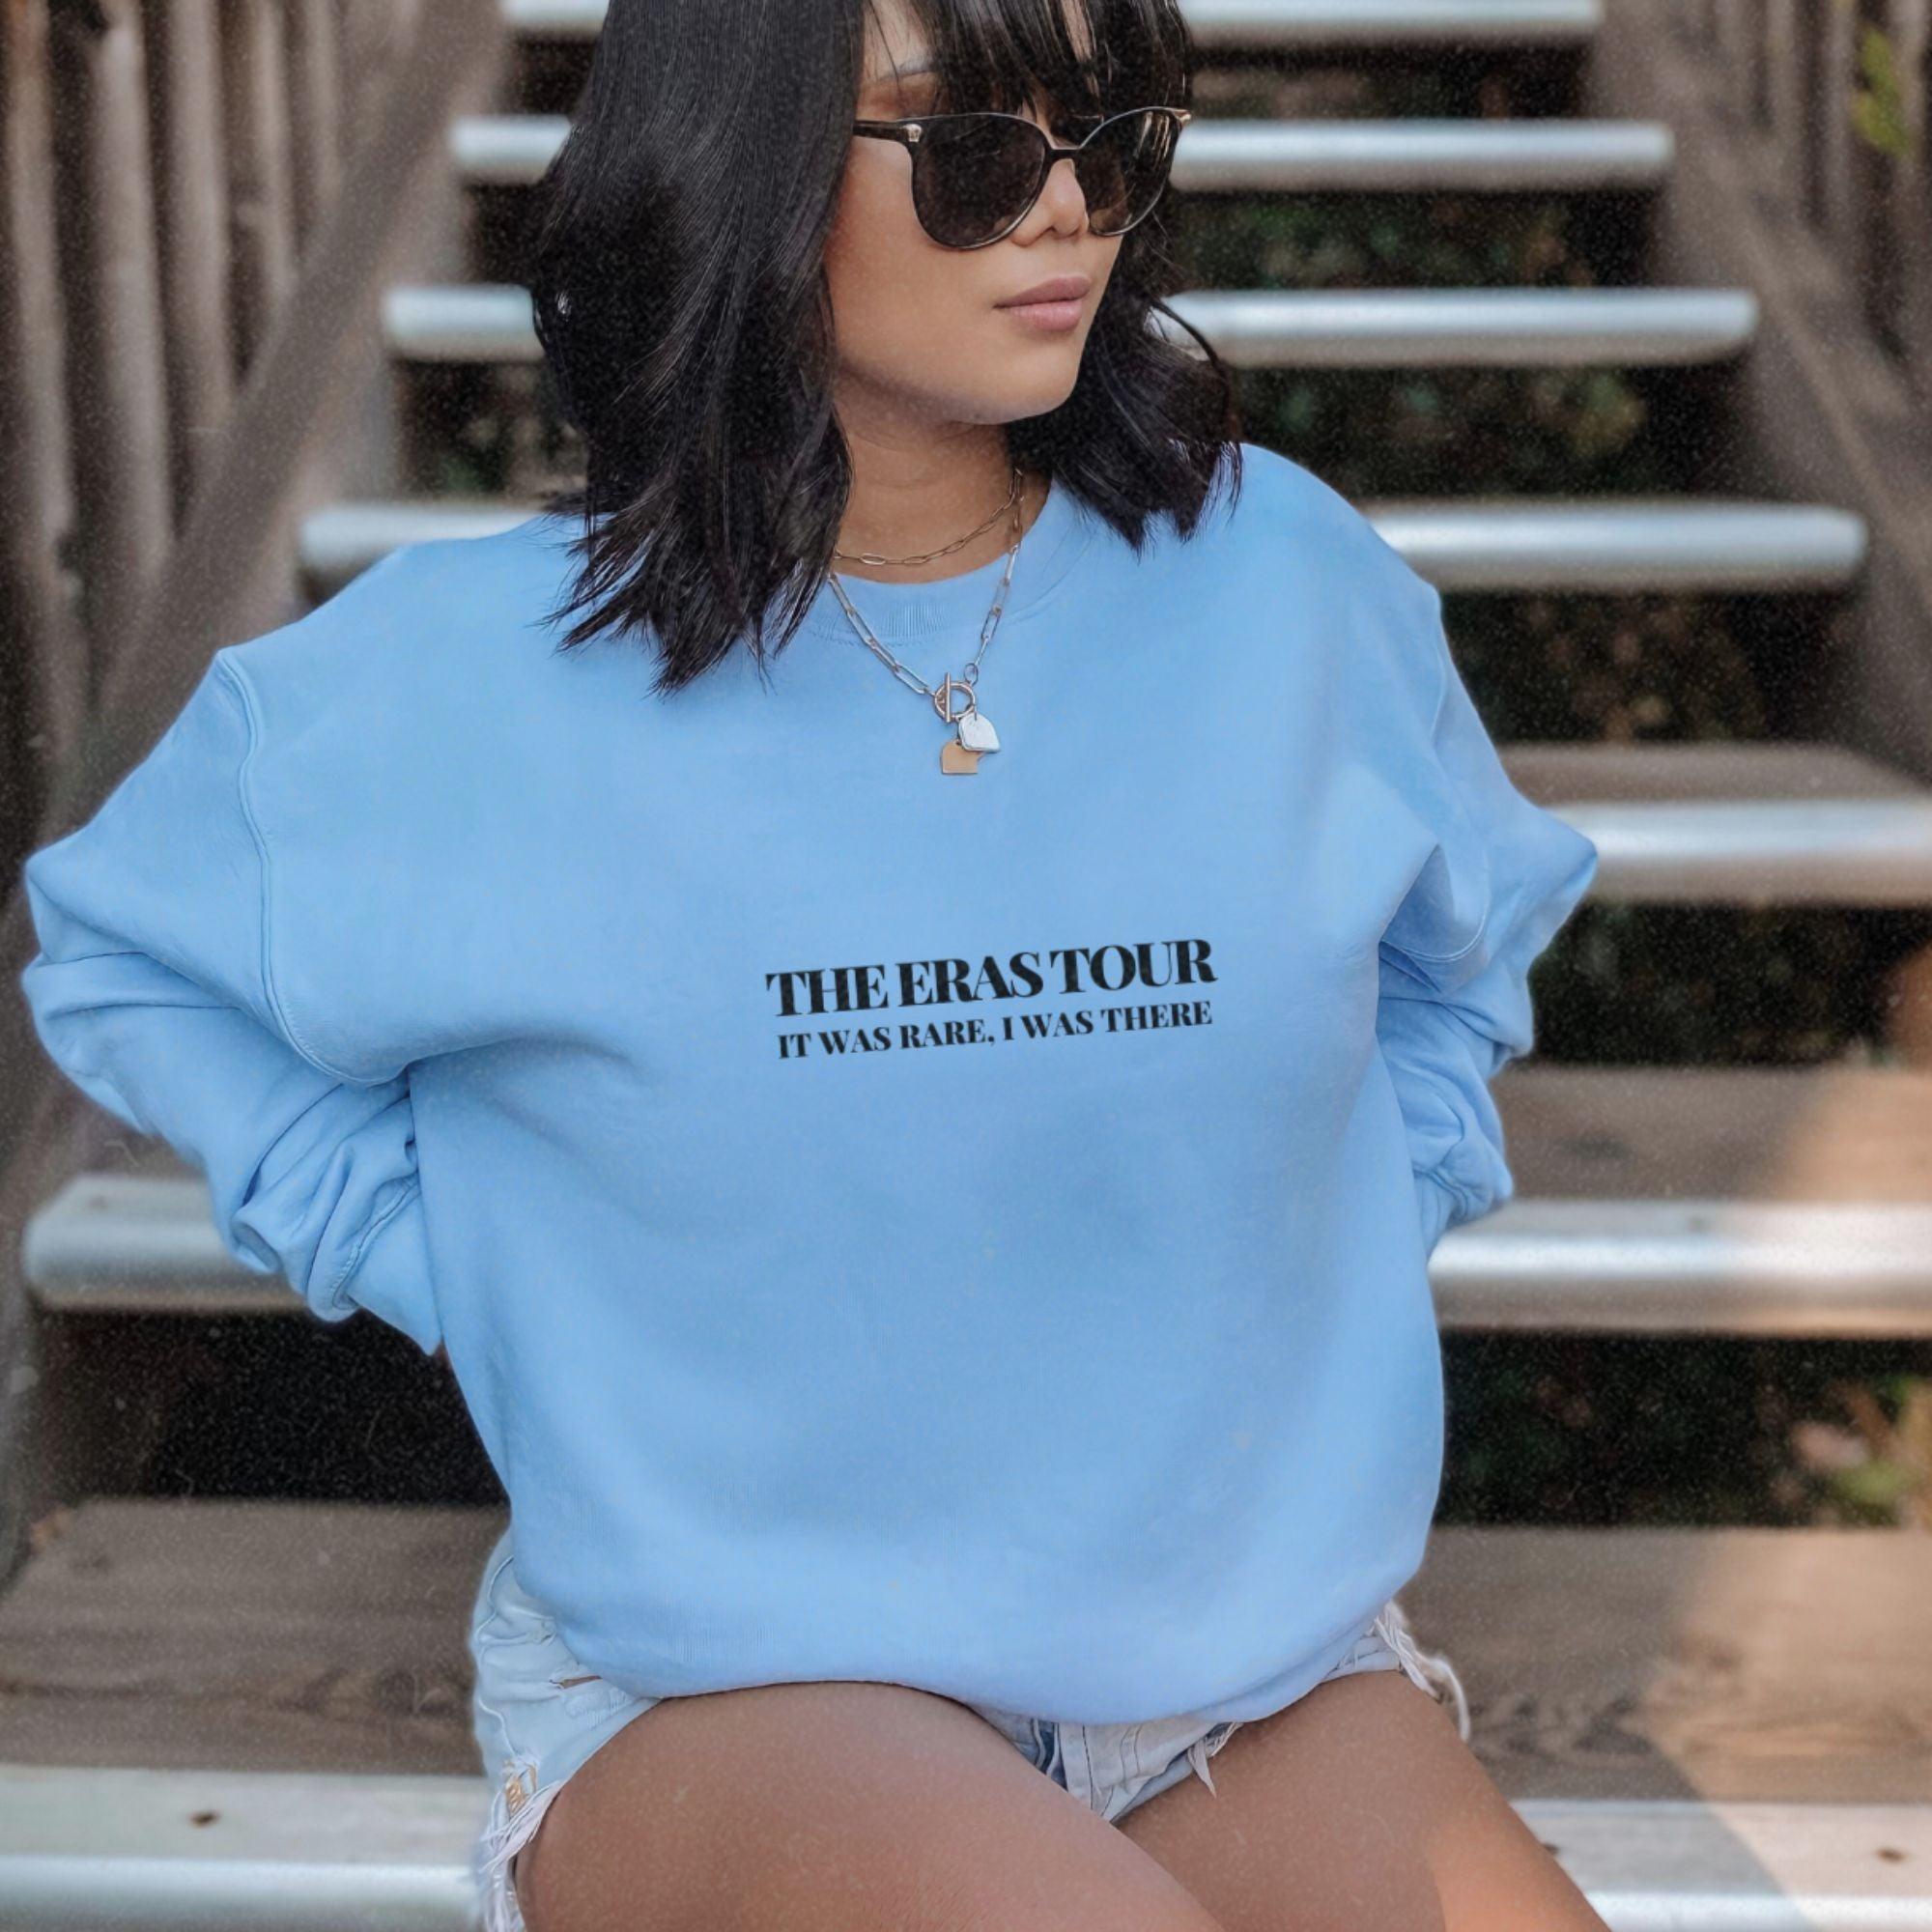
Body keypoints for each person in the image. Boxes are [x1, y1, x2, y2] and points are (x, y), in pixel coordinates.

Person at [15, 0, 1611, 1926]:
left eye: (1105, 142)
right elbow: (118, 943)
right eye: (965, 153)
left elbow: (1460, 968)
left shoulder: (1285, 584)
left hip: (1254, 1664)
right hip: (738, 1677)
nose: (1061, 219)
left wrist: (1332, 1221)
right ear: (746, 162)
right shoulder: (468, 676)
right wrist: (446, 1250)